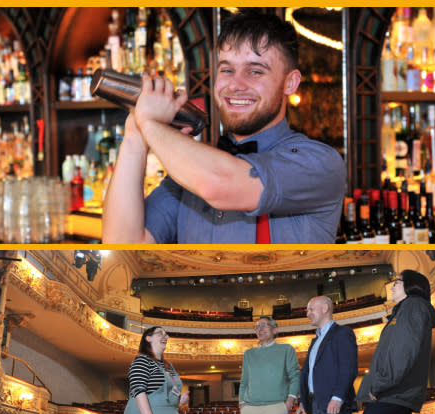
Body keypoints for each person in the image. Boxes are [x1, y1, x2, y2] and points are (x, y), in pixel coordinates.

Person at [103, 10, 345, 244]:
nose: (236, 84)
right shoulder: (189, 175)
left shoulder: (320, 162)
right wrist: (135, 134)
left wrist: (151, 124)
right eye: (227, 70)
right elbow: (121, 242)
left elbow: (218, 184)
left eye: (255, 71)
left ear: (290, 83)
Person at [352, 270, 435, 414]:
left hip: (393, 392)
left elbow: (404, 351)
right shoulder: (406, 309)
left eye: (397, 282)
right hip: (399, 393)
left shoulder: (413, 306)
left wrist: (380, 384)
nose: (392, 286)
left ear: (411, 285)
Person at [297, 296, 358, 414]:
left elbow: (348, 367)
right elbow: (308, 373)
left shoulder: (342, 333)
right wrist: (303, 401)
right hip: (316, 405)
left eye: (310, 309)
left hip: (334, 404)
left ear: (324, 308)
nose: (307, 313)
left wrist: (338, 397)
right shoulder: (314, 340)